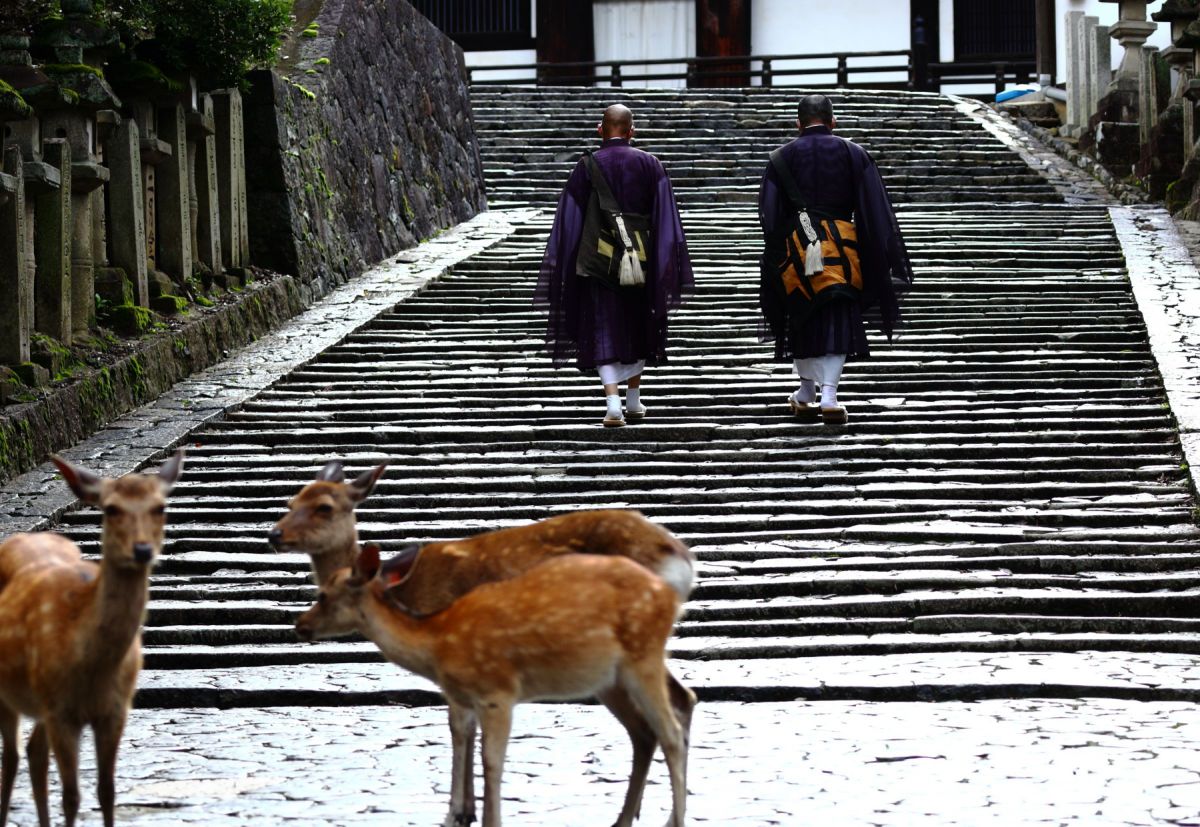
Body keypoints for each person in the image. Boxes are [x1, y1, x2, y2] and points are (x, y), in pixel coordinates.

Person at [758, 93, 914, 424]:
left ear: (797, 123)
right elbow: (874, 210)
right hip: (842, 251)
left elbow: (769, 215)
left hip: (797, 251)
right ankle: (828, 395)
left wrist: (779, 253)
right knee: (838, 317)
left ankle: (805, 390)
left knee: (799, 315)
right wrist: (874, 253)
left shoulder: (780, 158)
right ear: (834, 121)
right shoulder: (854, 153)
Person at [536, 104, 694, 427]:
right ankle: (633, 400)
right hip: (641, 261)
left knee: (603, 327)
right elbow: (666, 219)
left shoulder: (585, 167)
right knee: (639, 323)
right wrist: (664, 263)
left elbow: (569, 222)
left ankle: (613, 404)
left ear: (600, 129)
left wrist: (568, 262)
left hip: (598, 264)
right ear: (632, 131)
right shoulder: (651, 165)